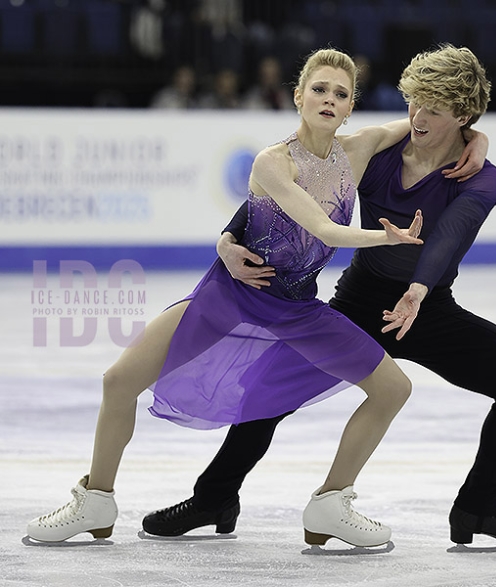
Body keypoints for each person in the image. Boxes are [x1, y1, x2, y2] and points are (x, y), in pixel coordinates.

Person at [142, 44, 496, 546]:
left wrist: (418, 289)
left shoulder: (480, 177)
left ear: (463, 116)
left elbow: (450, 237)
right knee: (268, 390)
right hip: (359, 302)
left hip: (428, 311)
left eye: (435, 109)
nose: (418, 116)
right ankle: (214, 499)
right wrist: (228, 239)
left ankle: (478, 507)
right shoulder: (375, 155)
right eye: (414, 102)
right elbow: (288, 195)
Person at [26, 48, 433, 548]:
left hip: (297, 309)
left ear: (351, 107)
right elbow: (323, 226)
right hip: (233, 297)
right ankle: (96, 503)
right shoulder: (272, 161)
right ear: (298, 96)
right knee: (118, 381)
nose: (329, 99)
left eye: (341, 94)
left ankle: (331, 504)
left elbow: (419, 125)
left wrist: (474, 136)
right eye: (319, 89)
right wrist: (383, 237)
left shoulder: (361, 147)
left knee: (394, 388)